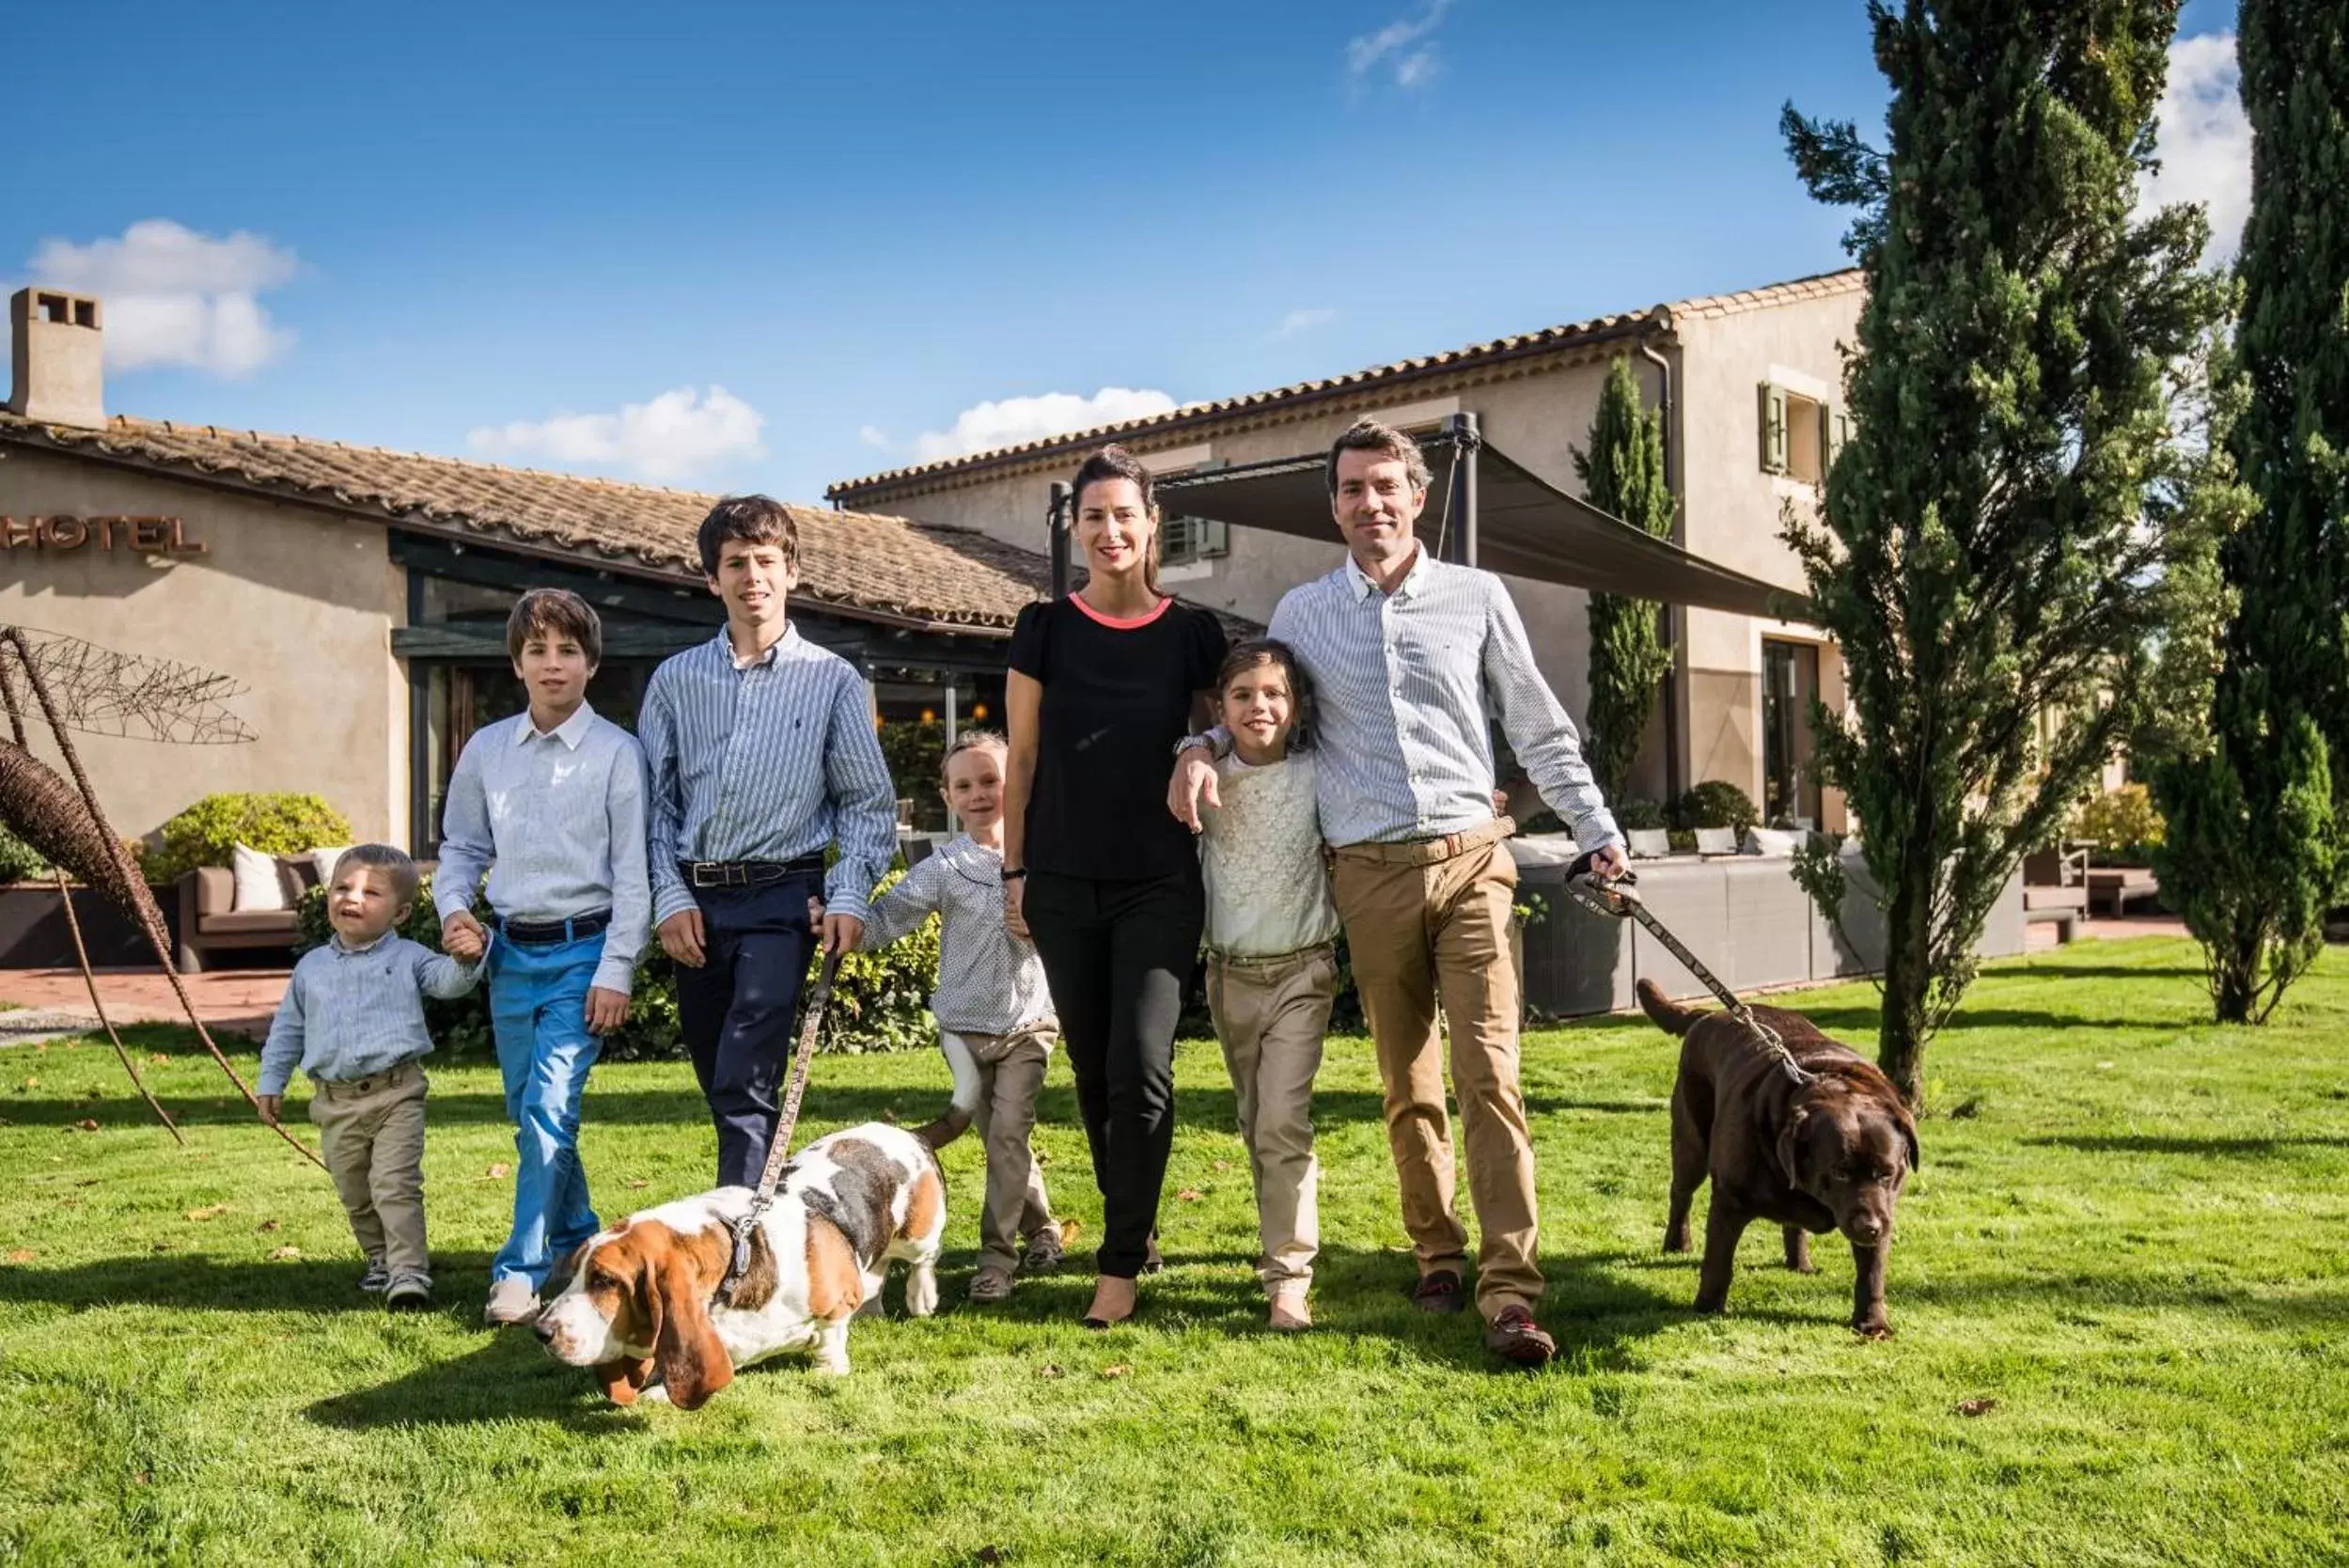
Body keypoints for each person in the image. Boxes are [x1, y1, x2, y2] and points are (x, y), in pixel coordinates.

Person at [1170, 417, 1627, 1369]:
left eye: (1387, 487)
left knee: (1489, 1074)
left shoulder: (1476, 596)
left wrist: (1599, 835)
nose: (1370, 504)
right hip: (1368, 876)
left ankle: (1510, 1290)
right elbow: (1262, 716)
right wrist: (1196, 749)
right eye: (1352, 490)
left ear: (1418, 497)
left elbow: (1539, 728)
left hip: (1471, 860)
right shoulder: (1301, 614)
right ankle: (1436, 1250)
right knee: (1407, 1080)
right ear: (1332, 505)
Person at [1004, 445, 1228, 1328]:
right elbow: (1020, 761)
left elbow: (1217, 746)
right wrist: (1015, 872)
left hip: (1159, 882)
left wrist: (1201, 754)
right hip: (1059, 879)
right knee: (1094, 1075)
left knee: (1141, 1070)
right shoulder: (1043, 629)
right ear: (1075, 527)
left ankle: (1121, 1262)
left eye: (1122, 515)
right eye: (1091, 516)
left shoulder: (1193, 634)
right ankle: (1134, 1224)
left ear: (1151, 525)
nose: (1108, 530)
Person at [639, 495, 897, 1188]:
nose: (751, 575)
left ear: (790, 572)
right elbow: (653, 808)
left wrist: (847, 895)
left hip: (785, 896)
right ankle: (764, 1206)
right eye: (735, 563)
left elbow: (867, 806)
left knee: (747, 1072)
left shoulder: (833, 680)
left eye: (765, 561)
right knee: (718, 1072)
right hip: (696, 900)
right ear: (712, 579)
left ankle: (737, 1229)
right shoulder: (673, 682)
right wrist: (668, 898)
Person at [434, 588, 650, 1328]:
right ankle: (575, 1236)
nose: (552, 664)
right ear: (516, 664)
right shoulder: (487, 751)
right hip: (507, 955)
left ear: (590, 664)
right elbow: (461, 847)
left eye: (566, 651)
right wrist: (455, 910)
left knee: (549, 1108)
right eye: (537, 651)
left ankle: (518, 1272)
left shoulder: (620, 755)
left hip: (583, 954)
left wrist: (615, 970)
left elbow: (633, 876)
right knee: (533, 1120)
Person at [857, 729, 1070, 1304]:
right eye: (965, 785)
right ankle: (1043, 1230)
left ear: (1016, 783)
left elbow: (1078, 932)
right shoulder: (946, 867)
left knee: (1006, 1138)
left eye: (991, 780)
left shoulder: (1048, 856)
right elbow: (888, 918)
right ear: (949, 797)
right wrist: (841, 924)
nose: (979, 794)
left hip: (1028, 1025)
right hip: (965, 1037)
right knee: (1005, 1145)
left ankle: (996, 1261)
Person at [257, 844, 486, 1311]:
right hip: (334, 1103)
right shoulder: (311, 968)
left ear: (400, 912)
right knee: (356, 1193)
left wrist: (467, 958)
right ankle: (379, 1259)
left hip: (395, 1094)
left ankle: (408, 1273)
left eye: (370, 892)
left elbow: (449, 982)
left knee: (394, 1186)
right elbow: (288, 1030)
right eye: (342, 887)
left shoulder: (408, 958)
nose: (352, 898)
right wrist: (270, 1082)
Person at [1196, 639, 1339, 1331]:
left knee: (1283, 1121)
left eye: (1275, 694)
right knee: (1257, 1124)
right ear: (1218, 708)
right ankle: (1274, 1243)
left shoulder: (1318, 774)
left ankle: (1288, 1277)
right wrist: (1193, 749)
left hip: (1302, 970)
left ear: (1296, 706)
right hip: (1228, 974)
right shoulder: (1202, 773)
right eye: (1244, 695)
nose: (1260, 706)